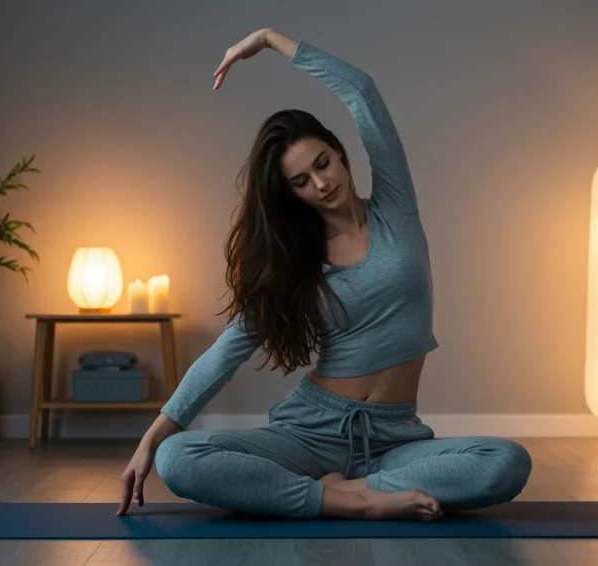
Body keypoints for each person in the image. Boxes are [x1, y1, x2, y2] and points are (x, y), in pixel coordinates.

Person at [116, 28, 532, 522]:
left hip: (394, 440)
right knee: (178, 458)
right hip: (309, 434)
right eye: (301, 181)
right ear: (290, 193)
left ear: (339, 151)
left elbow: (363, 93)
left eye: (323, 163)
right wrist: (150, 440)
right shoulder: (295, 261)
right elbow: (225, 353)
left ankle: (349, 489)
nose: (321, 183)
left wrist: (271, 40)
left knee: (505, 462)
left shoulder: (395, 211)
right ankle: (352, 501)